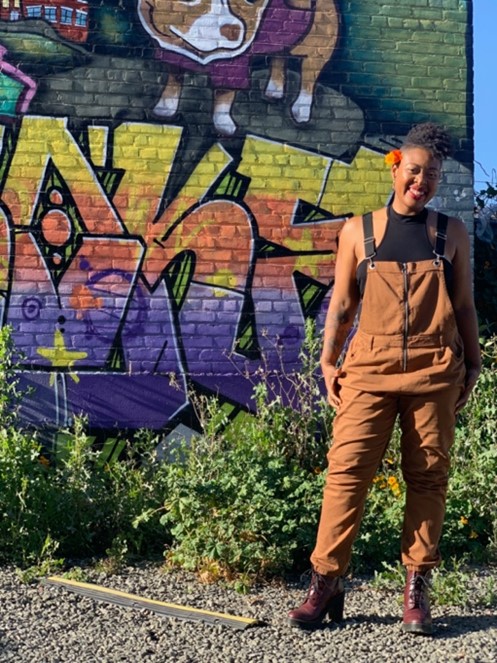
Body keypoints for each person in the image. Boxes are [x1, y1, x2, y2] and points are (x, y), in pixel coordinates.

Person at [288, 123, 481, 635]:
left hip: (435, 371)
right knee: (346, 474)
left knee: (427, 478)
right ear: (396, 168)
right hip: (367, 372)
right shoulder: (358, 231)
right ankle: (326, 582)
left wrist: (475, 363)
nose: (422, 181)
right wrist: (329, 362)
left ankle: (416, 585)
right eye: (414, 171)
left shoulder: (451, 233)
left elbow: (463, 305)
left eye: (432, 174)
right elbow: (343, 305)